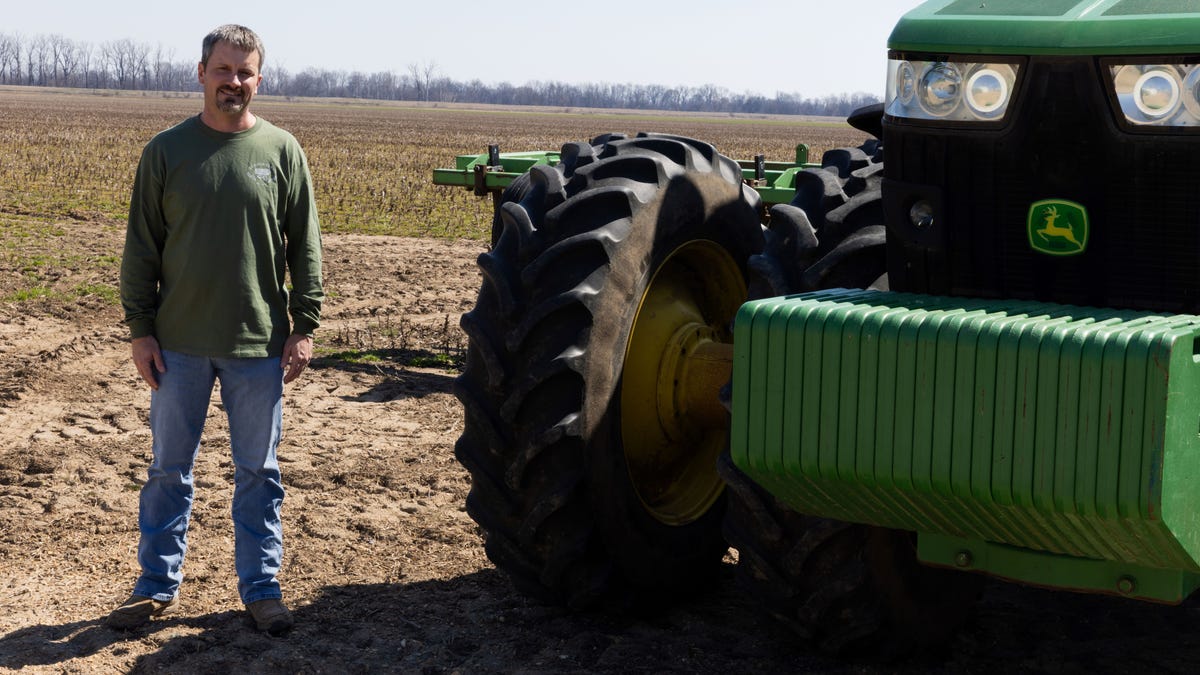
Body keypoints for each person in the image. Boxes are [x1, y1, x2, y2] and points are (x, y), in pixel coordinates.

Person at [106, 24, 323, 636]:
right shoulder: (167, 152)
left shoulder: (282, 152)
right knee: (167, 472)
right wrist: (140, 331)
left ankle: (261, 589)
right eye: (223, 70)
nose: (234, 82)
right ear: (201, 73)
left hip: (258, 346)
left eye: (245, 72)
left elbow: (305, 247)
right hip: (177, 347)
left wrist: (303, 325)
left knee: (260, 474)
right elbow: (141, 249)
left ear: (260, 78)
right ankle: (153, 588)